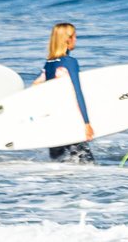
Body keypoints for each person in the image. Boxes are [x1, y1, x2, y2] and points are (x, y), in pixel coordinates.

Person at [39, 21, 96, 162]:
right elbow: (77, 92)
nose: (76, 39)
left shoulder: (49, 63)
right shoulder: (69, 62)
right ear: (67, 39)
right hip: (70, 120)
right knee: (87, 165)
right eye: (74, 36)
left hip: (54, 122)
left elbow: (38, 88)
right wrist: (86, 123)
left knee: (58, 166)